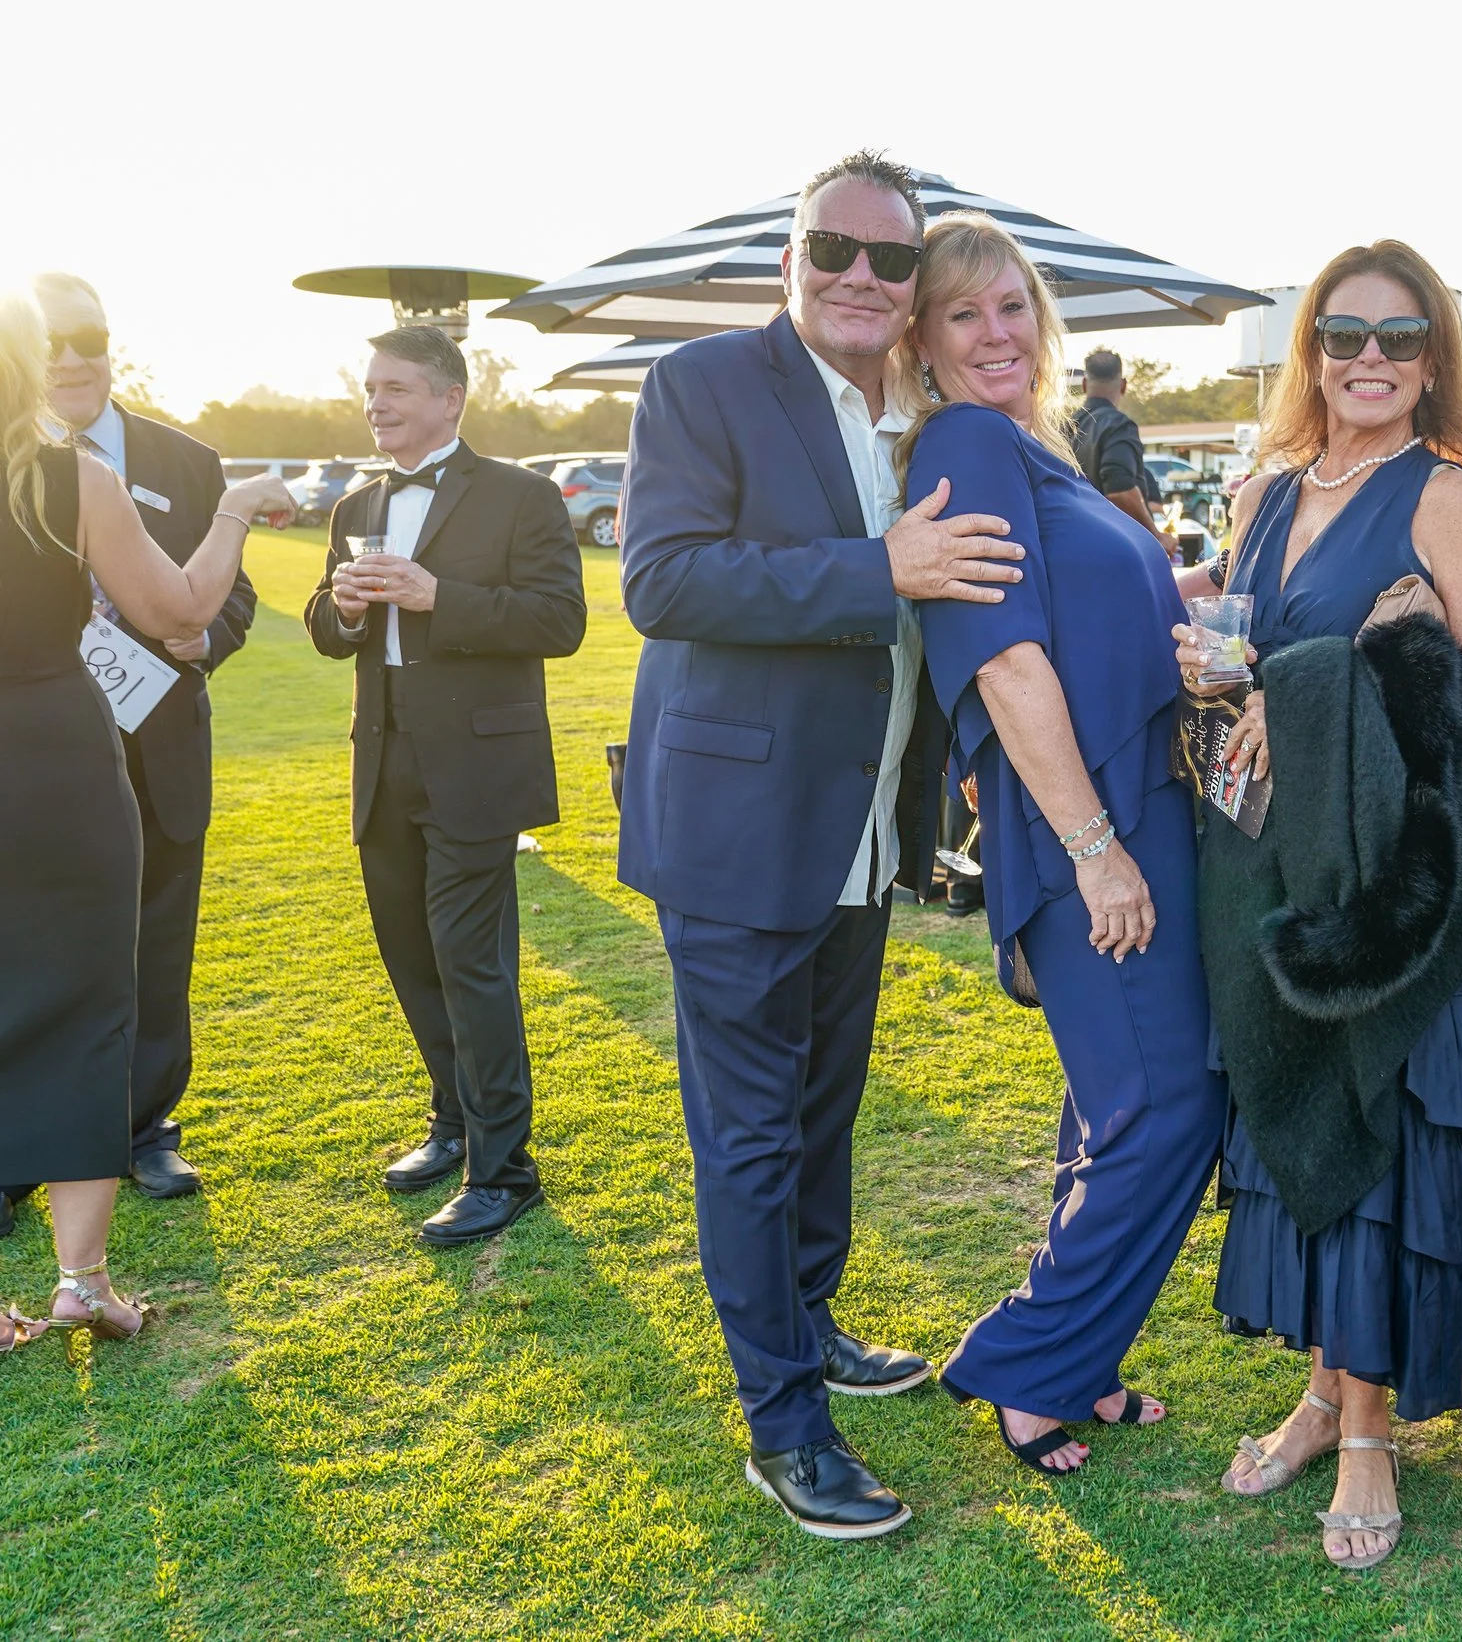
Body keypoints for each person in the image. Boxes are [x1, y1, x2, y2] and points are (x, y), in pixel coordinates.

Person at [617, 151, 1024, 1541]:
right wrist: (877, 570)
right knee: (747, 1134)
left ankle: (810, 1320)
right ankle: (783, 1424)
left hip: (862, 832)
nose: (861, 275)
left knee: (820, 1111)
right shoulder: (705, 384)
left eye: (889, 259)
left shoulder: (918, 420)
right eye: (833, 250)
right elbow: (661, 579)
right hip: (737, 832)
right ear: (789, 260)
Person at [0, 293, 288, 1377]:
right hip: (59, 762)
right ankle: (82, 1280)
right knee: (95, 1000)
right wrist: (228, 511)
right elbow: (180, 614)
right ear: (5, 366)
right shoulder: (67, 476)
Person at [1178, 240, 1462, 1573]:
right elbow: (1260, 660)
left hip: (1393, 882)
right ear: (1309, 349)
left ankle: (1374, 1431)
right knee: (1299, 1116)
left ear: (1432, 356)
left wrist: (1329, 679)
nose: (1368, 360)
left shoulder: (1441, 491)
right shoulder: (1267, 490)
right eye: (1343, 334)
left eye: (1397, 338)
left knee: (1377, 1131)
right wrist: (1225, 670)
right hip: (1279, 866)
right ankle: (1326, 1393)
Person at [891, 212, 1226, 1482]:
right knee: (1165, 1102)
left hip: (1132, 800)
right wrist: (1096, 849)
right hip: (1090, 817)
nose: (995, 333)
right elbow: (1007, 659)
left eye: (1012, 305)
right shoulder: (968, 442)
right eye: (961, 314)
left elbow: (1084, 612)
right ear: (921, 341)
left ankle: (1075, 1363)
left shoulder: (1035, 449)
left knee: (1112, 1100)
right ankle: (1030, 1359)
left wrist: (1189, 606)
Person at [0, 273, 258, 1247]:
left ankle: (144, 1126)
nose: (70, 357)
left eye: (86, 335)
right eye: (49, 340)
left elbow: (235, 596)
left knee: (154, 949)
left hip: (159, 748)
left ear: (111, 342)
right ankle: (7, 1157)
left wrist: (203, 640)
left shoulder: (188, 458)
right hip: (31, 756)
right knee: (24, 956)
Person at [303, 325, 586, 1247]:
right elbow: (324, 620)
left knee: (472, 963)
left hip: (477, 767)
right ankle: (454, 1121)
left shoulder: (523, 494)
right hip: (382, 761)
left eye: (395, 388)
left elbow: (560, 619)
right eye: (370, 388)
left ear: (450, 398)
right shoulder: (354, 503)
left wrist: (438, 598)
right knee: (411, 955)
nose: (376, 404)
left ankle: (504, 1169)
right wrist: (340, 609)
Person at [1070, 347, 1164, 545]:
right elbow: (1120, 491)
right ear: (1123, 385)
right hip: (1113, 545)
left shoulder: (1063, 428)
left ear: (1085, 384)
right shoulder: (1119, 426)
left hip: (1071, 542)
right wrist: (1156, 537)